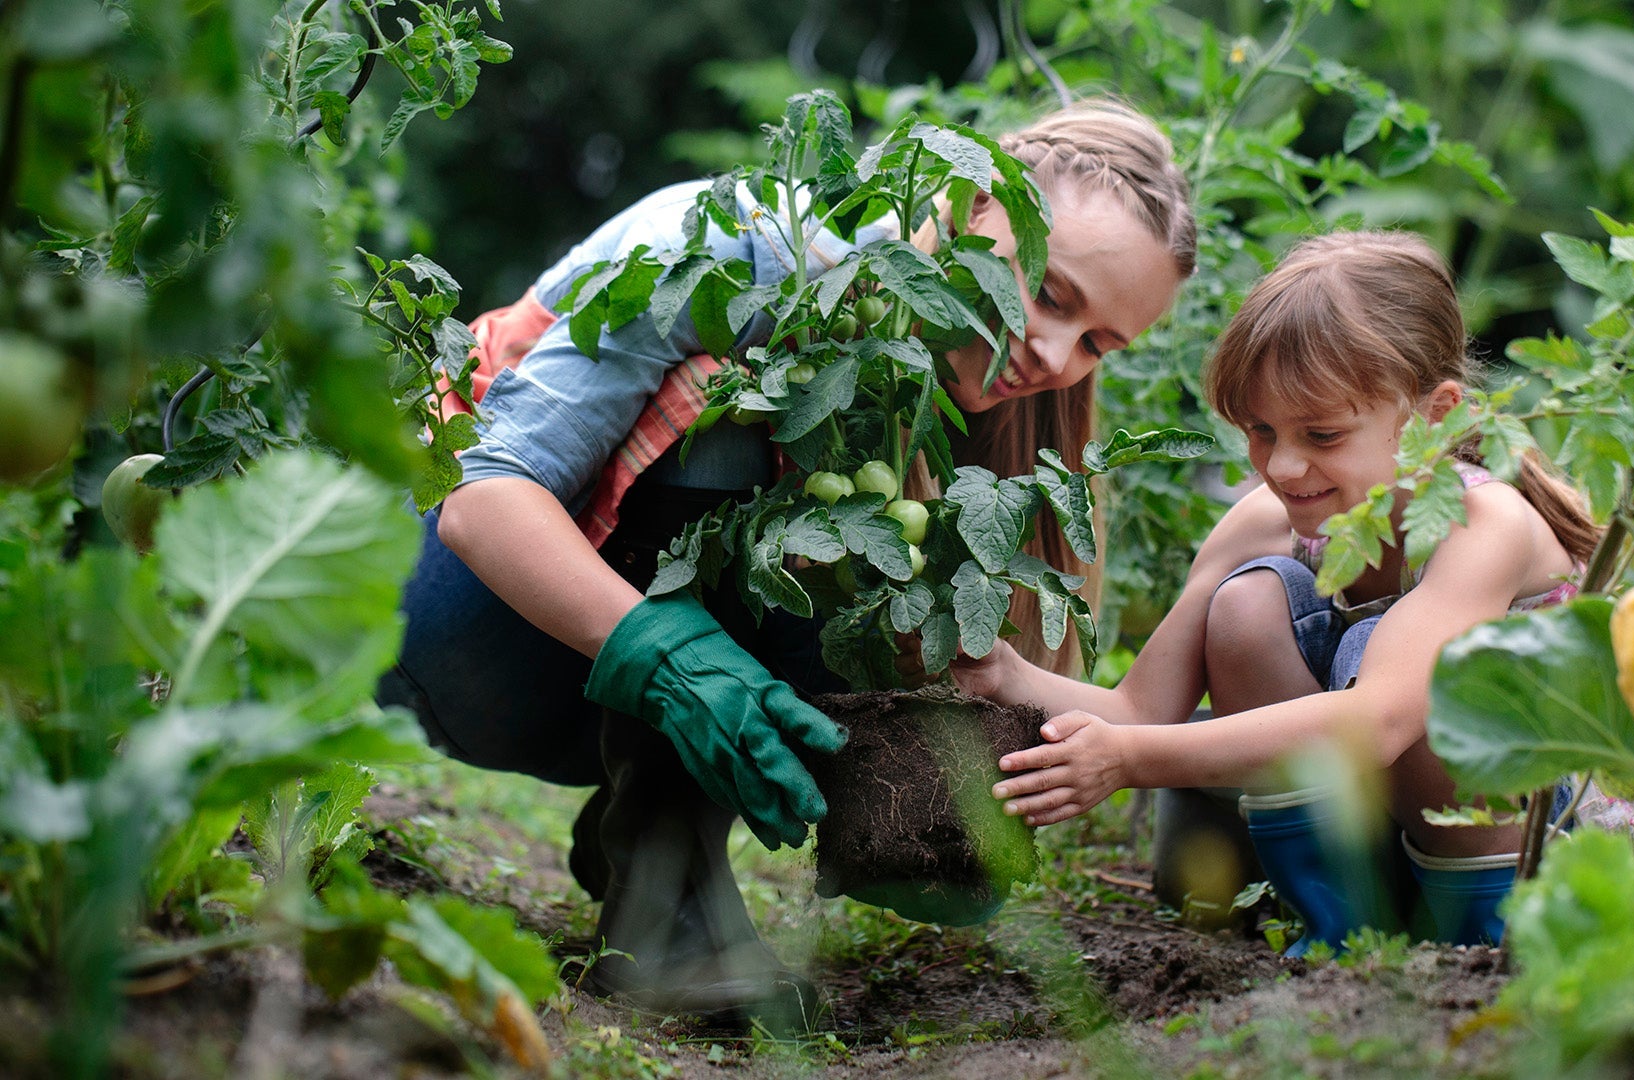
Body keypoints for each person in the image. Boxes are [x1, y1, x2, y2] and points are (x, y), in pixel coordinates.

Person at [375, 100, 1196, 1026]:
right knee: (741, 397)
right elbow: (483, 501)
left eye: (1098, 345)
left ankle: (644, 847)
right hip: (446, 617)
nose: (1053, 352)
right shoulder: (746, 252)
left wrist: (939, 776)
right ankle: (670, 901)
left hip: (589, 675)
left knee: (948, 840)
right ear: (973, 204)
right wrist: (669, 656)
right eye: (1049, 296)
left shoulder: (976, 392)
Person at [952, 231, 1602, 952]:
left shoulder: (1484, 524)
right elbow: (1141, 709)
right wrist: (1003, 674)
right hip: (1385, 828)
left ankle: (1478, 941)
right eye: (1261, 430)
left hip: (1537, 850)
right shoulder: (1267, 522)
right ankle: (1338, 931)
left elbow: (1379, 721)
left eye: (1322, 435)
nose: (1284, 466)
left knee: (1419, 673)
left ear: (1434, 414)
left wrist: (1129, 760)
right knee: (1245, 607)